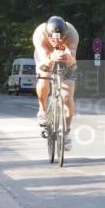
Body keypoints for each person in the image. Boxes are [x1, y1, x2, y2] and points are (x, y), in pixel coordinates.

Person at [33, 16, 79, 149]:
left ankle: (66, 133)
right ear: (48, 35)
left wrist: (68, 57)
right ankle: (42, 109)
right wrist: (51, 58)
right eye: (54, 39)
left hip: (66, 59)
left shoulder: (72, 34)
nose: (57, 41)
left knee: (67, 97)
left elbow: (72, 61)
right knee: (44, 76)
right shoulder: (40, 34)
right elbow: (43, 64)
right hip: (46, 57)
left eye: (60, 38)